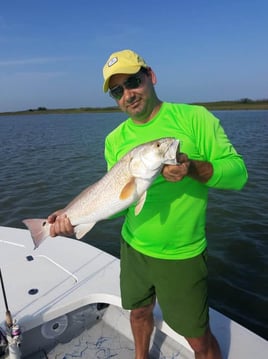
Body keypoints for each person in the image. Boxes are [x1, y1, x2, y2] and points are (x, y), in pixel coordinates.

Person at [48, 49, 248, 359]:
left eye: (133, 82)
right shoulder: (114, 140)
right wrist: (69, 215)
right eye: (118, 90)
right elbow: (108, 191)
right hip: (133, 248)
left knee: (198, 339)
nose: (128, 94)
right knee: (138, 313)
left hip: (181, 253)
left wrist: (193, 169)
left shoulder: (195, 118)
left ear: (150, 76)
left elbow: (239, 174)